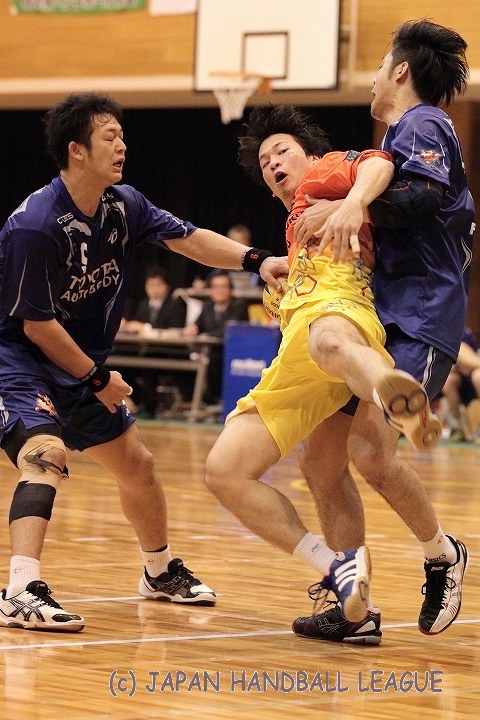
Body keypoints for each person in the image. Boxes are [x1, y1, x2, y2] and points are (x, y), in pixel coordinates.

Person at [0, 92, 288, 632]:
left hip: (80, 366)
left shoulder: (123, 204)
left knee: (138, 466)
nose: (122, 145)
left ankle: (158, 572)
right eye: (109, 136)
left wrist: (258, 260)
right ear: (76, 151)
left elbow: (189, 239)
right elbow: (37, 326)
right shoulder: (35, 226)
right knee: (45, 455)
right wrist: (97, 377)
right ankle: (19, 590)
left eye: (122, 135)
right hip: (18, 361)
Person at [204, 104, 441, 626]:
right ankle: (339, 572)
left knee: (330, 343)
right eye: (265, 162)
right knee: (227, 471)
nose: (273, 163)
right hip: (295, 345)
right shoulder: (292, 226)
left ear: (309, 155)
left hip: (339, 307)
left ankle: (394, 395)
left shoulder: (324, 172)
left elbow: (378, 162)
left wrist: (352, 203)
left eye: (281, 151)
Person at [290, 20, 474, 643]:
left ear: (400, 70)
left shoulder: (423, 122)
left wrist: (349, 204)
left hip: (419, 312)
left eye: (377, 66)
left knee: (369, 452)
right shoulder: (397, 136)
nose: (371, 79)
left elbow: (420, 199)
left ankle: (443, 554)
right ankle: (352, 605)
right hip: (376, 310)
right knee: (321, 460)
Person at [121, 267, 186, 418]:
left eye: (157, 285)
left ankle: (150, 407)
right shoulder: (143, 305)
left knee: (149, 366)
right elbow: (135, 325)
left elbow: (175, 331)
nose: (153, 289)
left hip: (169, 352)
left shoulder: (176, 304)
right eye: (150, 285)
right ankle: (139, 401)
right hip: (144, 349)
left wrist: (145, 328)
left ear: (166, 286)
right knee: (122, 363)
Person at [183, 270, 249, 404]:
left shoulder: (239, 306)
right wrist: (192, 329)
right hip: (209, 349)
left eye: (223, 286)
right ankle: (190, 398)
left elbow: (229, 329)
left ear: (230, 289)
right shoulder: (208, 306)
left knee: (213, 358)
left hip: (231, 352)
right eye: (215, 287)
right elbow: (197, 325)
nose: (219, 290)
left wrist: (206, 335)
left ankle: (214, 399)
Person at [441, 328, 480, 441]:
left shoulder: (463, 331)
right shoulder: (450, 330)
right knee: (448, 381)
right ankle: (456, 427)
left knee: (478, 376)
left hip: (474, 376)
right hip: (463, 379)